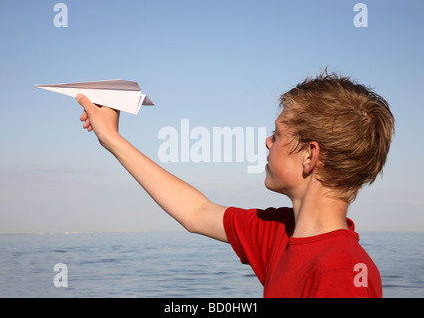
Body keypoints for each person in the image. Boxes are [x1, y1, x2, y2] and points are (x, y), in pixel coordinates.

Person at [76, 70, 394, 298]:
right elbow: (196, 212)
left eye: (278, 134)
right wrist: (112, 139)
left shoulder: (342, 274)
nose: (268, 142)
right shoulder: (280, 232)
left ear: (310, 156)